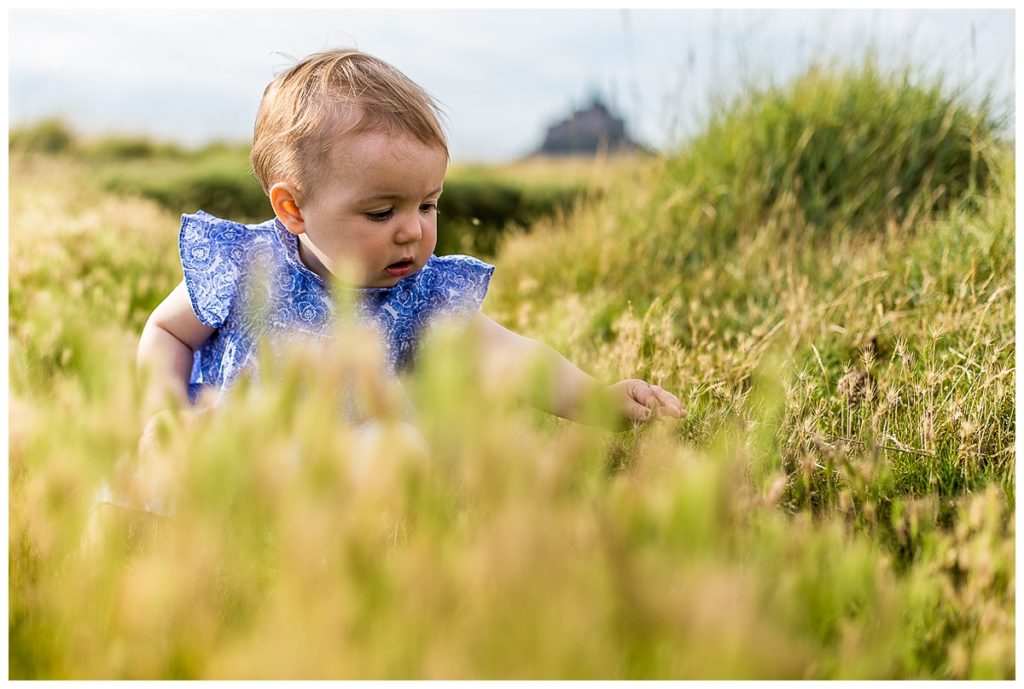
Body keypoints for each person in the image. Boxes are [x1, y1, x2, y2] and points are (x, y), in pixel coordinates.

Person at [136, 48, 685, 444]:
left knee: (398, 450)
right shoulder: (246, 267)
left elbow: (510, 356)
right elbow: (166, 331)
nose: (413, 231)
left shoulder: (420, 295)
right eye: (381, 212)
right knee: (138, 483)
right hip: (230, 455)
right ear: (293, 209)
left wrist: (596, 398)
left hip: (341, 470)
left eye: (428, 205)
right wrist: (163, 412)